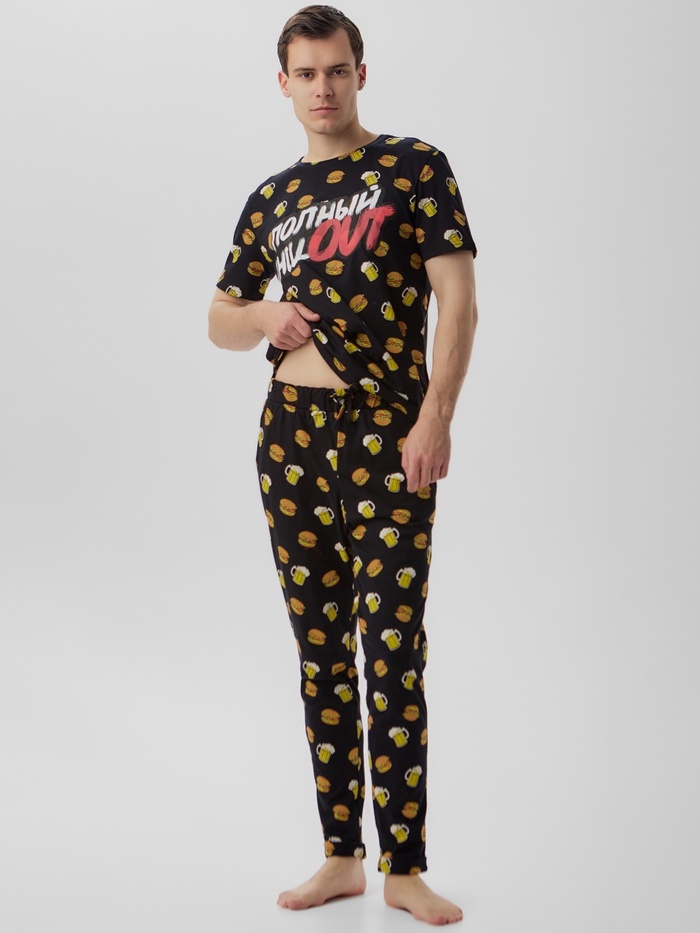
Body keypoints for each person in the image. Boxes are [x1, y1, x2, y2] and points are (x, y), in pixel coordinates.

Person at [208, 5, 478, 925]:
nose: (322, 88)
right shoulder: (272, 198)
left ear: (361, 73)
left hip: (388, 434)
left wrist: (435, 416)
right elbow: (219, 318)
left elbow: (459, 300)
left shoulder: (414, 167)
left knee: (392, 651)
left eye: (336, 70)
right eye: (306, 73)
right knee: (321, 654)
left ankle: (405, 864)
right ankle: (341, 855)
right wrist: (262, 315)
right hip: (290, 439)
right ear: (282, 84)